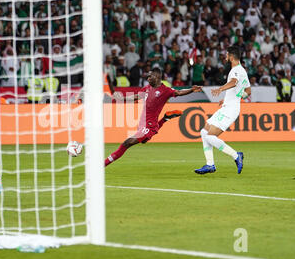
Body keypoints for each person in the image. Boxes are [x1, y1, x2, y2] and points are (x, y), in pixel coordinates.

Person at [104, 68, 202, 167]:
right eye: (148, 77)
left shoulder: (165, 90)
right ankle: (165, 118)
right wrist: (122, 99)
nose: (148, 79)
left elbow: (179, 92)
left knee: (127, 143)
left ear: (157, 77)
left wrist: (191, 90)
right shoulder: (147, 88)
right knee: (143, 141)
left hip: (149, 126)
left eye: (150, 76)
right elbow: (137, 96)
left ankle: (103, 164)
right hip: (143, 124)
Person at [195, 46, 251, 175]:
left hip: (230, 109)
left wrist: (220, 89)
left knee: (210, 136)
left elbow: (233, 82)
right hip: (228, 106)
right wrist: (233, 97)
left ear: (231, 56)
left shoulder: (236, 70)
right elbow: (248, 91)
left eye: (227, 54)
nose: (225, 56)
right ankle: (210, 164)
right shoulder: (242, 70)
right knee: (204, 131)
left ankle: (236, 156)